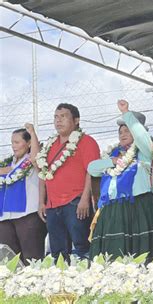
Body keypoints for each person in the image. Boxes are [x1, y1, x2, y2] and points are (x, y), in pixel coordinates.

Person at [88, 100, 153, 261]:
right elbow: (92, 168)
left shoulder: (144, 151)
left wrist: (126, 113)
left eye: (127, 130)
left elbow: (143, 139)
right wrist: (113, 161)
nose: (122, 134)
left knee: (144, 253)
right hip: (114, 210)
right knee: (114, 254)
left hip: (140, 207)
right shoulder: (112, 154)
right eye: (120, 131)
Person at [37, 103, 100, 260]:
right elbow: (42, 173)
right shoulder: (50, 145)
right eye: (56, 117)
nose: (58, 121)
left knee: (82, 248)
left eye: (63, 116)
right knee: (57, 253)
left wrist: (85, 199)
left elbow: (91, 172)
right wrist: (41, 202)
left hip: (76, 203)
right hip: (52, 206)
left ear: (76, 120)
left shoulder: (86, 141)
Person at [0, 125, 47, 264]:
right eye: (12, 142)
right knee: (9, 259)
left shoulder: (30, 161)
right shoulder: (8, 163)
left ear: (28, 143)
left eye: (17, 142)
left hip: (27, 215)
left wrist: (32, 132)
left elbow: (36, 157)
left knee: (31, 257)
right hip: (5, 217)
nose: (13, 146)